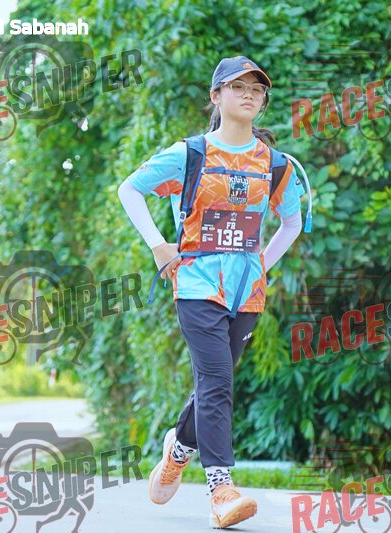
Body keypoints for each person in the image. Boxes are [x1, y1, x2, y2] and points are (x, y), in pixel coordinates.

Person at [118, 55, 306, 529]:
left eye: (257, 89)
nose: (249, 95)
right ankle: (222, 490)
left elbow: (291, 222)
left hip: (247, 294)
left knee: (212, 383)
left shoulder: (276, 165)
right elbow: (130, 190)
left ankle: (178, 450)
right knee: (219, 380)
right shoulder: (190, 154)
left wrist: (261, 265)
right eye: (238, 86)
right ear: (216, 96)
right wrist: (159, 246)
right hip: (197, 285)